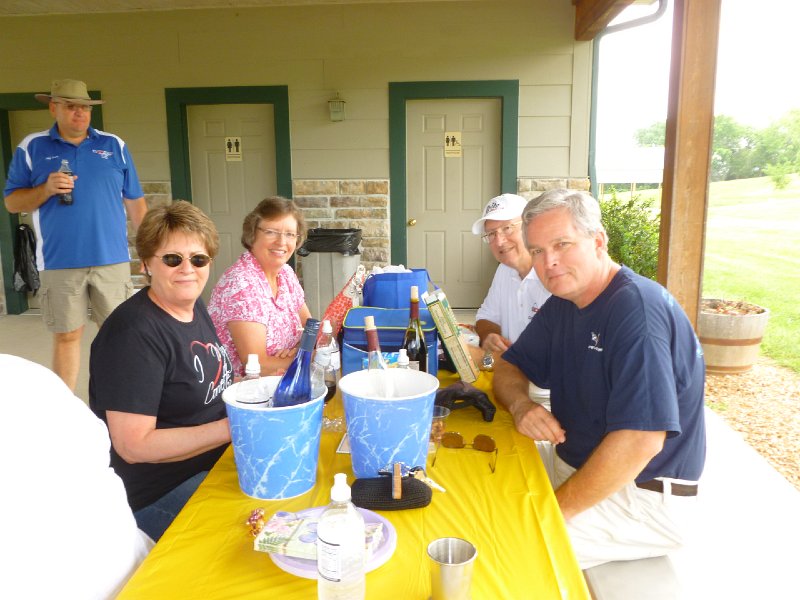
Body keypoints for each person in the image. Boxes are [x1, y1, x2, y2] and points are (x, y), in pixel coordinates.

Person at [494, 188, 706, 569]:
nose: (550, 262)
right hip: (579, 463)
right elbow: (510, 365)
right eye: (539, 251)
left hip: (641, 494)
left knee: (507, 549)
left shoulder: (635, 311)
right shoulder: (566, 301)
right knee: (483, 488)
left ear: (598, 241)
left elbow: (641, 441)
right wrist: (521, 404)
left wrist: (551, 512)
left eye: (562, 244)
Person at [89, 201, 232, 542]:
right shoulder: (133, 334)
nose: (188, 269)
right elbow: (134, 445)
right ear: (147, 265)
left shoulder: (193, 305)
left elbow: (203, 385)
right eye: (172, 259)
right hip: (158, 495)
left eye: (198, 259)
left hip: (212, 464)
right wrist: (234, 427)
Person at [3, 78, 148, 392]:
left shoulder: (114, 146)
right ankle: (65, 411)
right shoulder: (32, 147)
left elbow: (135, 201)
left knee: (120, 335)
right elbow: (13, 202)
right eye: (70, 106)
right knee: (67, 335)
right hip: (59, 261)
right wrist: (46, 189)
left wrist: (150, 250)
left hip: (112, 260)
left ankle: (122, 401)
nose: (79, 113)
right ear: (54, 108)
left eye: (84, 107)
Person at [1, 354, 153, 599]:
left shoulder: (29, 377)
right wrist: (225, 428)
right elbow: (131, 447)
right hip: (144, 567)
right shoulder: (30, 375)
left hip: (139, 567)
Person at [208, 196, 312, 377]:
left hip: (283, 379)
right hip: (245, 392)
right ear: (252, 234)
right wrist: (309, 356)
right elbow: (258, 365)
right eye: (271, 232)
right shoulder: (241, 285)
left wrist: (297, 349)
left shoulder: (285, 273)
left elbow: (311, 328)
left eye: (289, 234)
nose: (281, 242)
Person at [471, 193, 551, 354]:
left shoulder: (554, 274)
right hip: (512, 369)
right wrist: (489, 336)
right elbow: (486, 316)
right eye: (491, 234)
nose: (499, 241)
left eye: (507, 228)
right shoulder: (505, 269)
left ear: (530, 227)